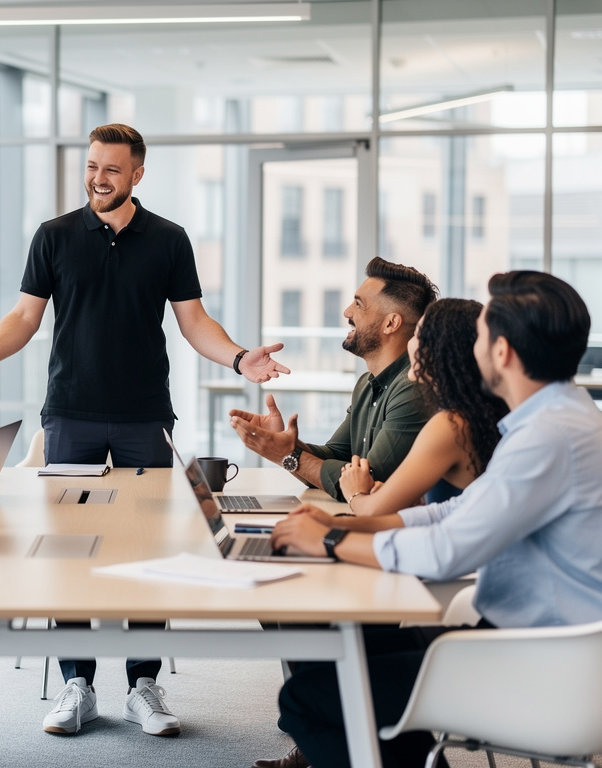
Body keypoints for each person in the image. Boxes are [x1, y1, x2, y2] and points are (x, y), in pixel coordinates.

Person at [0, 123, 289, 737]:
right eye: (92, 166)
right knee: (69, 548)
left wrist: (237, 358)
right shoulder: (55, 236)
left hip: (145, 416)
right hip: (69, 413)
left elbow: (194, 321)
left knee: (148, 548)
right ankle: (78, 683)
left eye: (112, 170)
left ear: (138, 175)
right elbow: (24, 316)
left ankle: (143, 685)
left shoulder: (170, 240)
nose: (98, 178)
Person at [253, 271, 602, 768]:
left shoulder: (546, 437)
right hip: (527, 641)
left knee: (308, 697)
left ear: (502, 352)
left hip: (539, 662)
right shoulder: (561, 417)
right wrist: (349, 527)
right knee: (352, 645)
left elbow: (447, 551)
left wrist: (330, 540)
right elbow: (456, 511)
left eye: (481, 335)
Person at [230, 257, 438, 502]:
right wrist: (283, 443)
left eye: (359, 305)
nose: (347, 312)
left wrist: (288, 455)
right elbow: (336, 456)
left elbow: (366, 482)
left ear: (391, 323)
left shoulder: (412, 389)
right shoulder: (366, 383)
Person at [338, 298, 509, 515]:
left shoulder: (449, 425)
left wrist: (355, 493)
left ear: (439, 349)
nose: (410, 343)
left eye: (417, 335)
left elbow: (371, 511)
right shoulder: (471, 415)